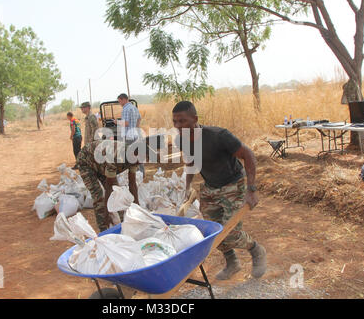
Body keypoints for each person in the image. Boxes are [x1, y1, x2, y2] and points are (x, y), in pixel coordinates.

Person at [172, 101, 267, 280]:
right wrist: (187, 186)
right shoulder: (180, 140)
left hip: (233, 185)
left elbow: (248, 155)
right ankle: (232, 262)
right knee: (211, 232)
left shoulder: (218, 136)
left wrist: (251, 189)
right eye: (175, 122)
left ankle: (256, 250)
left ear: (195, 119)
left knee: (230, 233)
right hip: (210, 188)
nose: (178, 126)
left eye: (182, 121)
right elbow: (191, 162)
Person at [77, 138, 149, 232]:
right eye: (139, 161)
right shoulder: (117, 156)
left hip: (101, 164)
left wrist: (137, 208)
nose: (140, 163)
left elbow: (132, 183)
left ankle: (124, 224)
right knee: (98, 196)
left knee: (118, 195)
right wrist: (106, 213)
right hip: (86, 161)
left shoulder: (135, 158)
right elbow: (109, 187)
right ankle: (104, 229)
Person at [117, 93, 145, 176]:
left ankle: (133, 174)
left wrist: (117, 122)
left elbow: (126, 123)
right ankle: (141, 173)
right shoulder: (134, 107)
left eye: (119, 101)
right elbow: (139, 118)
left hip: (128, 136)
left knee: (129, 156)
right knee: (138, 154)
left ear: (123, 99)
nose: (120, 103)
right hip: (135, 135)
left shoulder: (125, 109)